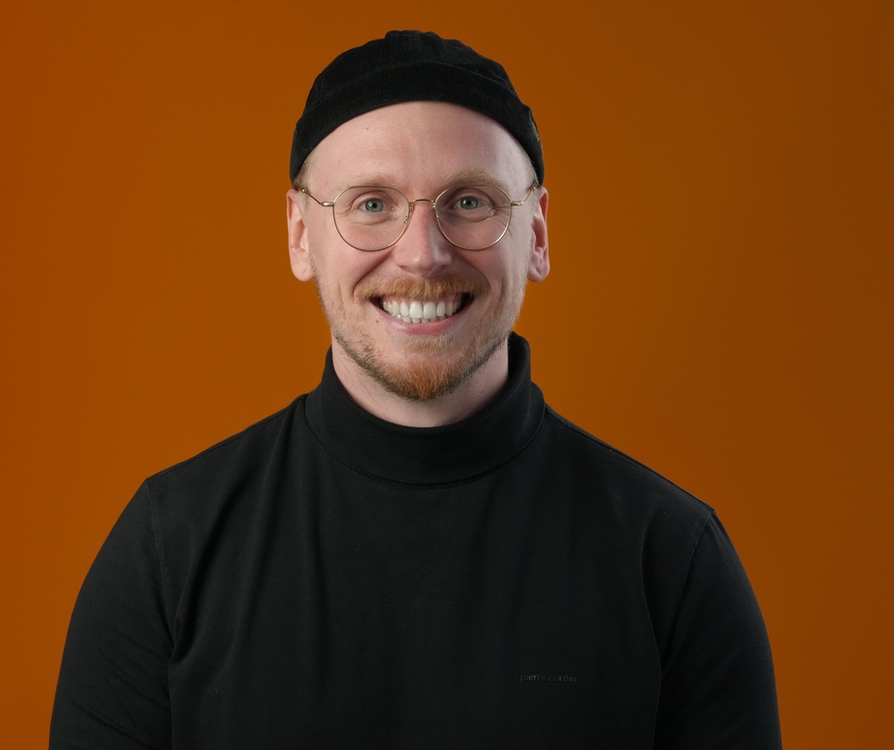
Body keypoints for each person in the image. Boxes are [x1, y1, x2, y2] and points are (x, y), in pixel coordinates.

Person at [50, 31, 781, 749]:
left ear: (537, 234)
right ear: (301, 236)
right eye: (372, 204)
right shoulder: (170, 550)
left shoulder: (672, 559)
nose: (423, 255)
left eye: (470, 202)